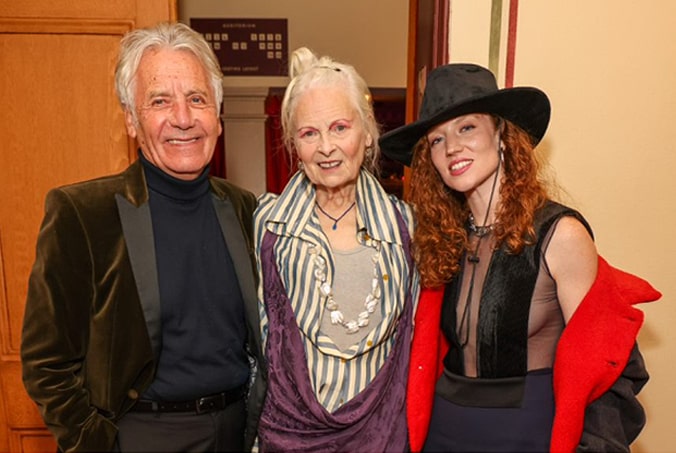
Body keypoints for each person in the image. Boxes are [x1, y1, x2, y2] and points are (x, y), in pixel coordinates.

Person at [378, 63, 661, 452]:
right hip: (443, 430)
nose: (452, 148)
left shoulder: (560, 234)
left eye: (467, 128)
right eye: (437, 140)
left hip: (528, 432)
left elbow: (608, 367)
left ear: (502, 135)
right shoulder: (440, 238)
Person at [20, 22, 265, 453]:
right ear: (131, 120)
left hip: (235, 432)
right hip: (141, 438)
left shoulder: (247, 209)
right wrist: (98, 444)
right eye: (160, 101)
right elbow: (46, 364)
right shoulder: (83, 214)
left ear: (217, 115)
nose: (184, 118)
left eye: (196, 98)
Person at [253, 47, 420, 452]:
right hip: (286, 438)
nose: (326, 147)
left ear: (367, 133)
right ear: (294, 144)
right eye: (310, 133)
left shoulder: (407, 227)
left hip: (380, 439)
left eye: (340, 127)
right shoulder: (267, 223)